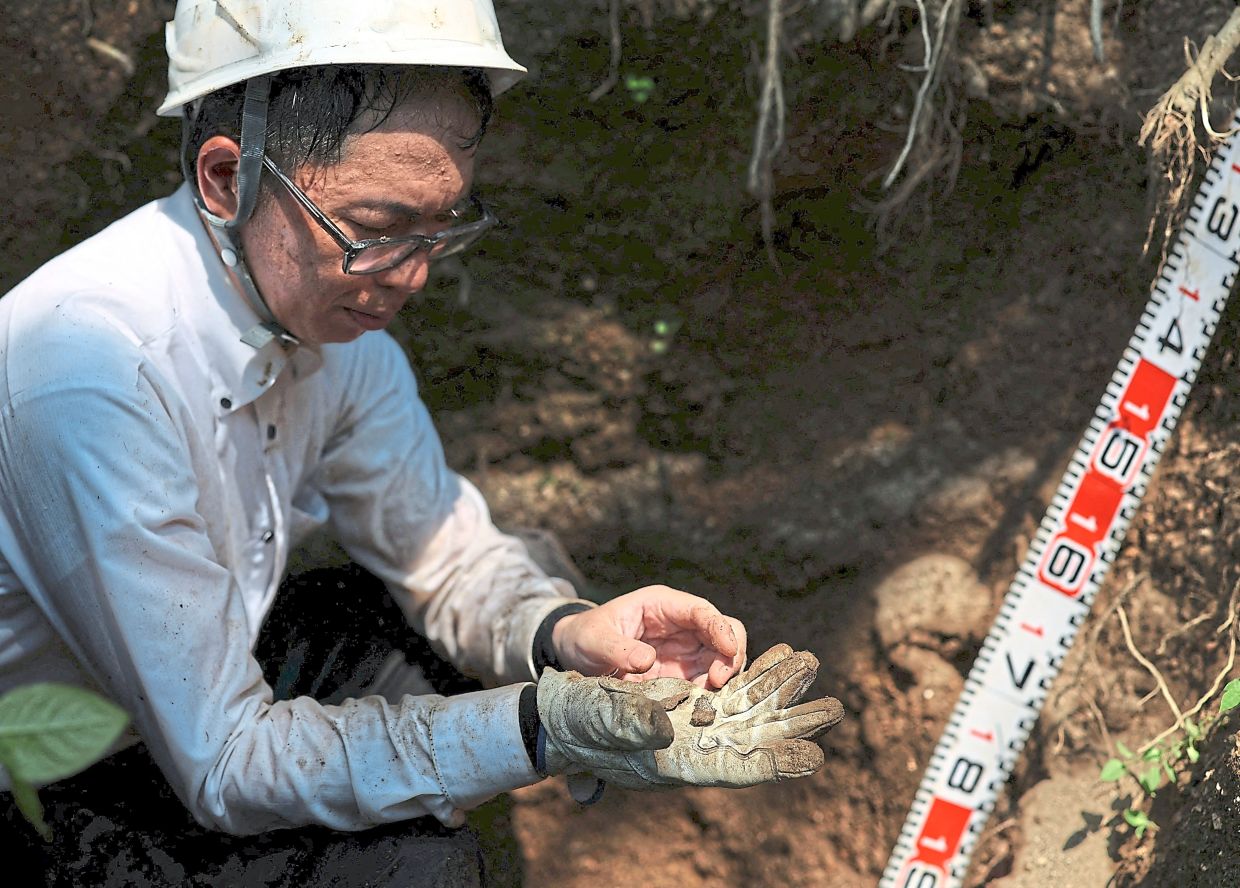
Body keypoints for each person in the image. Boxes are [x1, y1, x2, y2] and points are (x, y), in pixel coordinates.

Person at [0, 1, 843, 883]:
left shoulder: (325, 328)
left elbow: (442, 555)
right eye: (373, 231)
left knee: (423, 649)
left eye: (438, 228)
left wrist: (564, 634)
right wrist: (541, 727)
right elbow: (224, 764)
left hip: (184, 698)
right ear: (225, 178)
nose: (411, 276)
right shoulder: (92, 374)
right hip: (49, 779)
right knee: (416, 861)